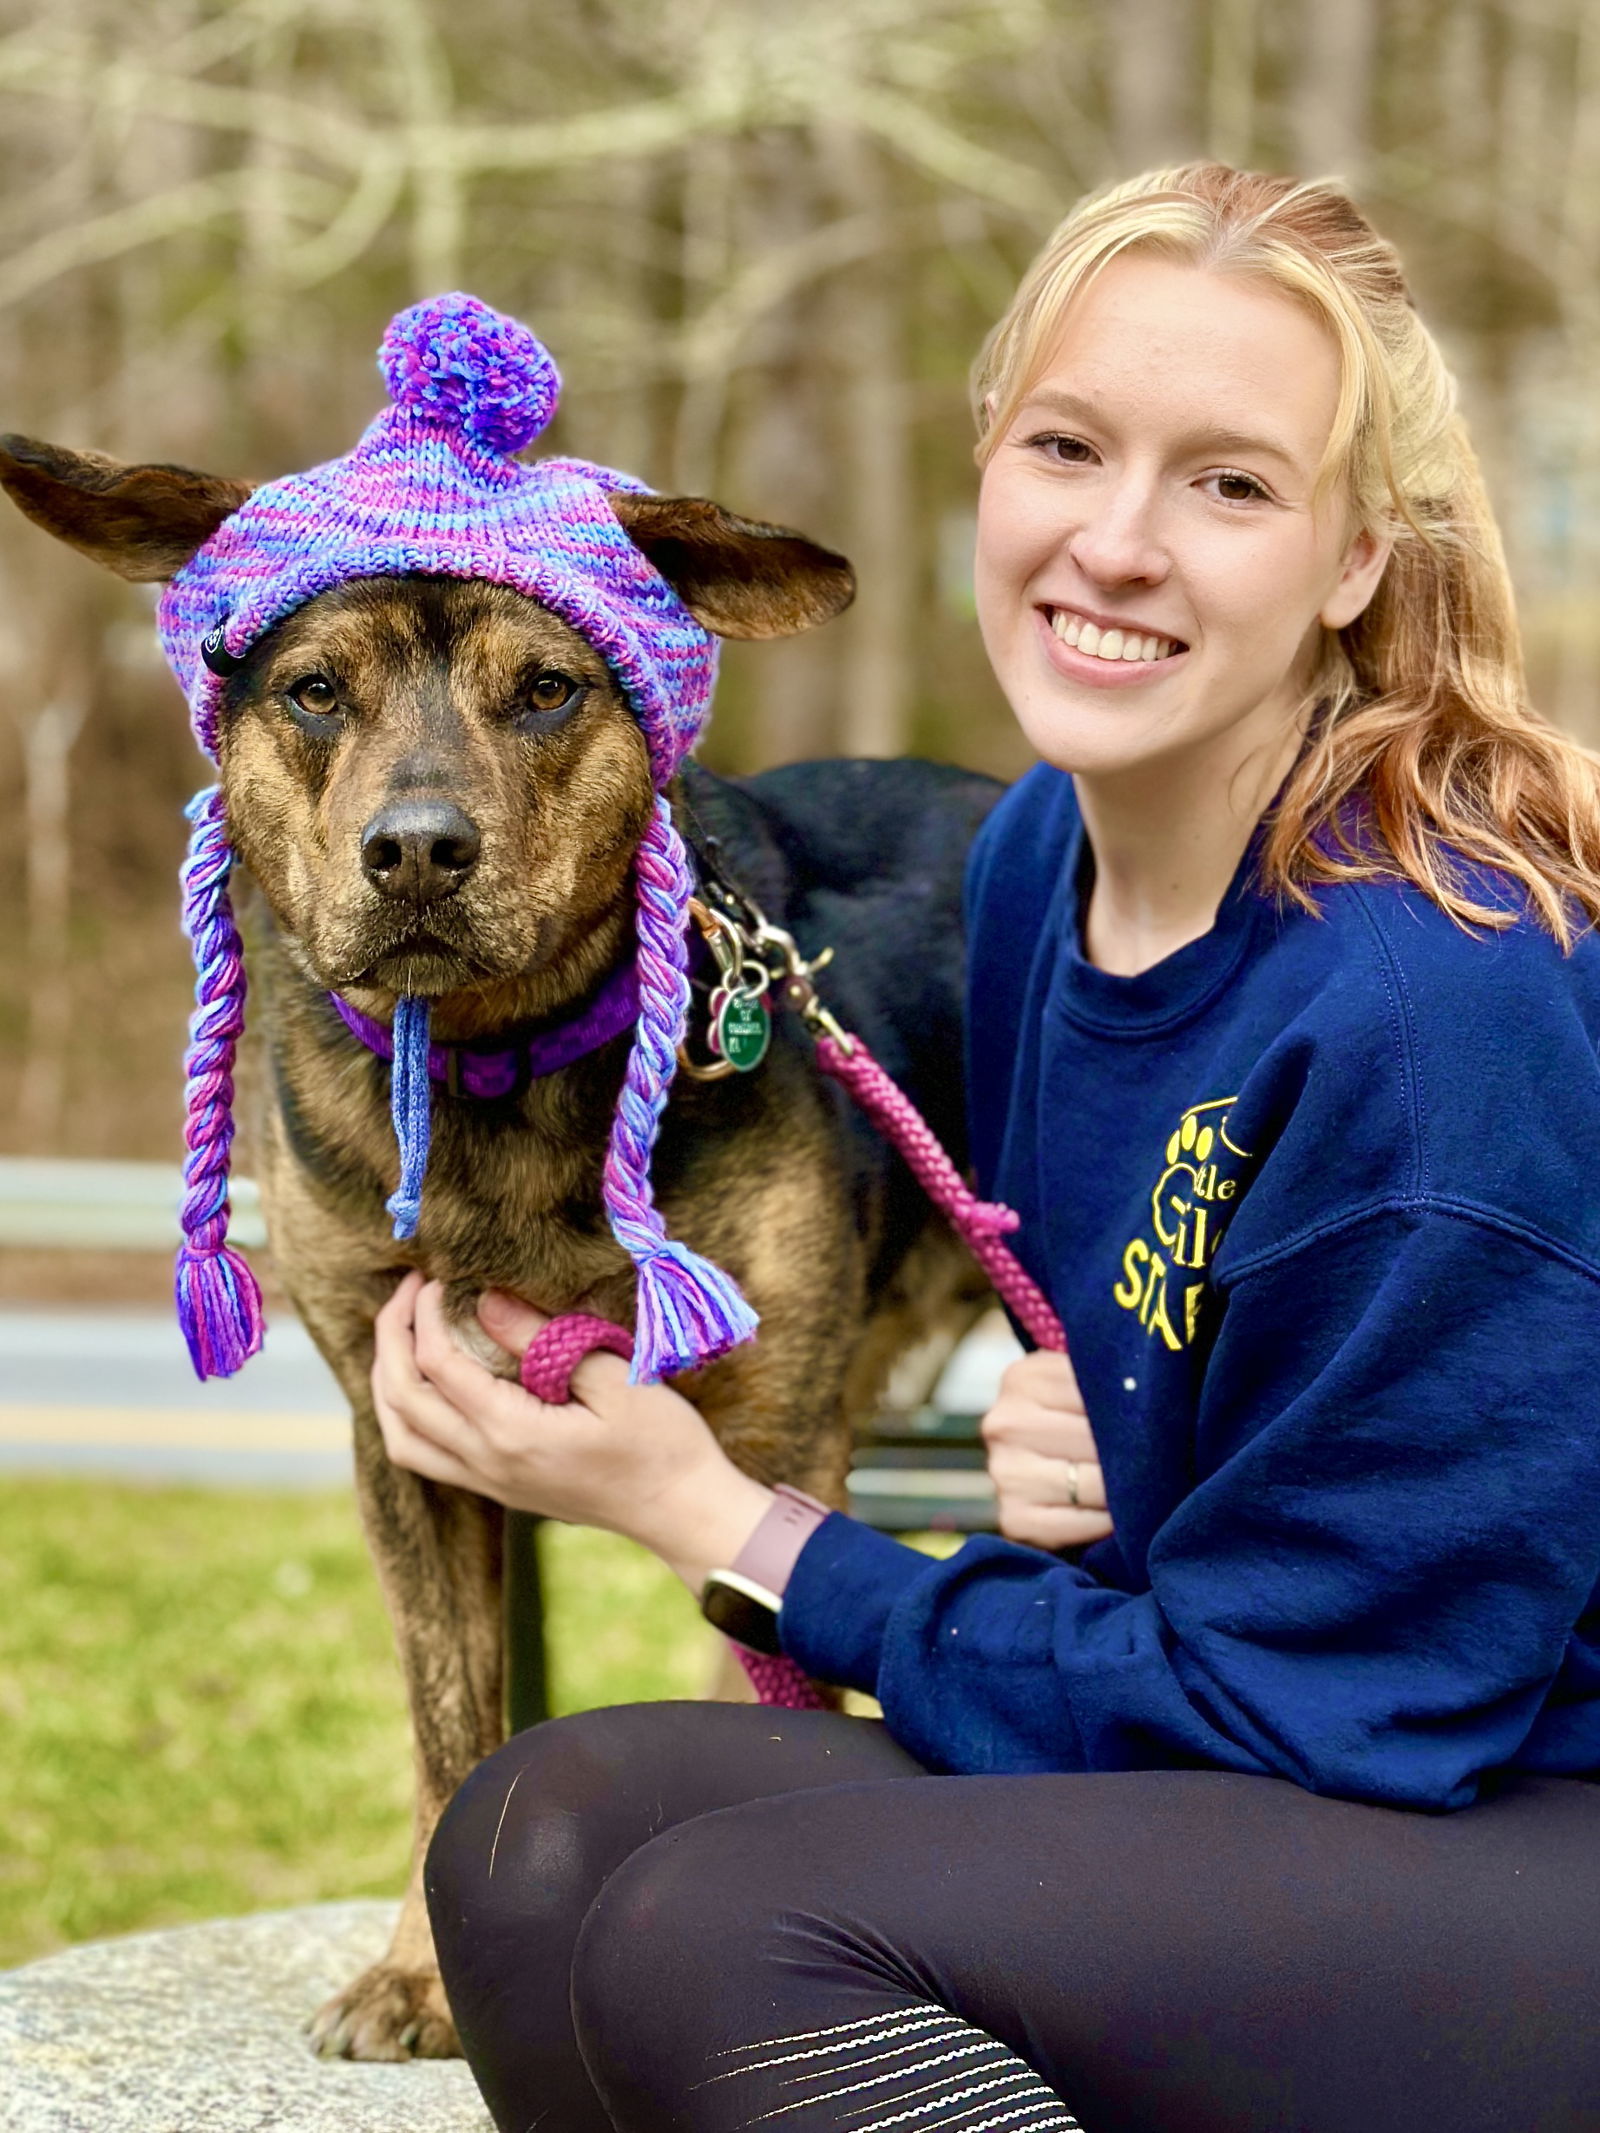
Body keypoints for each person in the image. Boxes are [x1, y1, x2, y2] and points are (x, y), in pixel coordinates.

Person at [370, 164, 1600, 2132]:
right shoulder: (1040, 865)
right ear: (985, 467)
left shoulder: (1424, 1000)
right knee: (537, 1837)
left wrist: (732, 1526)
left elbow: (1352, 1701)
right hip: (1291, 1742)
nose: (1112, 542)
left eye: (1227, 484)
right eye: (1065, 445)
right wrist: (1148, 1440)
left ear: (1353, 556)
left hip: (1513, 1817)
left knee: (723, 1933)